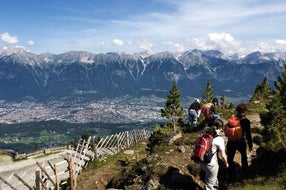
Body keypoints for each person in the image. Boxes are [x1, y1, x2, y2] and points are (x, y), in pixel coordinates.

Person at [199, 119, 229, 190]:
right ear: (220, 128)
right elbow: (223, 155)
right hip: (211, 164)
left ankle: (216, 187)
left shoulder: (205, 134)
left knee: (211, 177)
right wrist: (226, 164)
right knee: (209, 186)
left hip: (201, 161)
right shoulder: (219, 139)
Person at [226, 103, 253, 170]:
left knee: (230, 158)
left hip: (231, 141)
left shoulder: (232, 119)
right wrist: (250, 145)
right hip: (240, 141)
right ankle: (244, 172)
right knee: (244, 157)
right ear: (245, 111)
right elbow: (248, 134)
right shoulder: (246, 121)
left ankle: (229, 172)